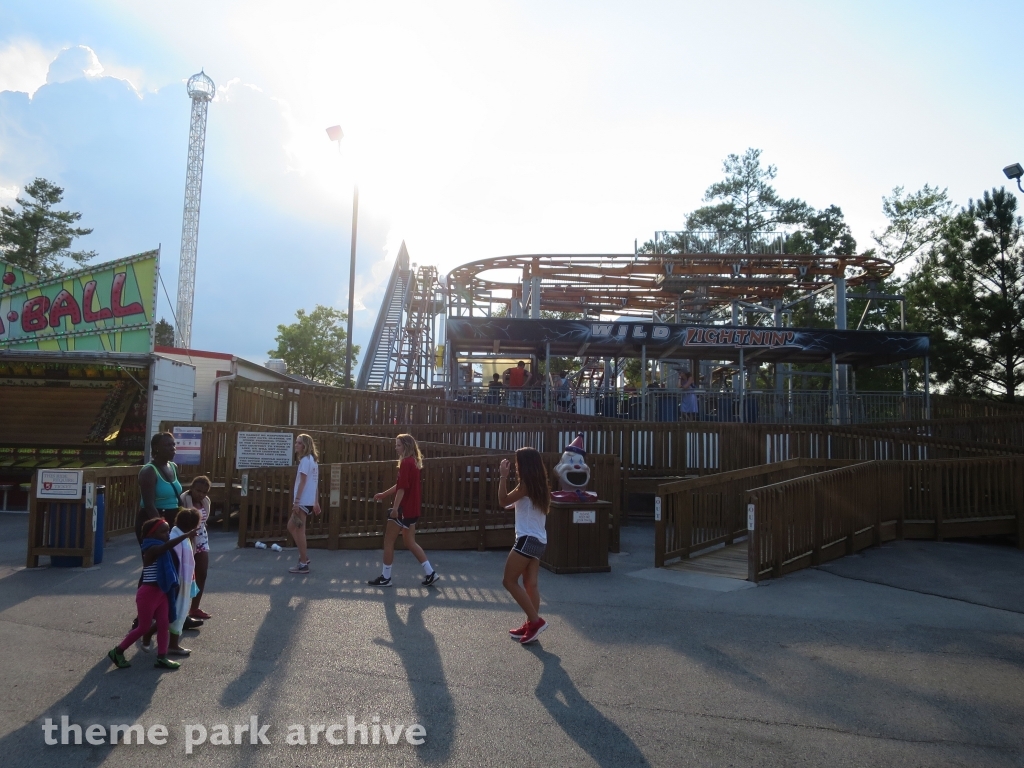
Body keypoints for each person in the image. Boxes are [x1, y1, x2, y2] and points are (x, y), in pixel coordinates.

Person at [107, 517, 196, 670]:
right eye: (163, 531)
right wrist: (185, 535)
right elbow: (166, 547)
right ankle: (117, 651)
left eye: (168, 531)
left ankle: (162, 657)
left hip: (162, 592)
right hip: (148, 593)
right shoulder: (150, 549)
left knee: (163, 624)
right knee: (143, 627)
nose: (167, 534)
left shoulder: (160, 545)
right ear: (152, 534)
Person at [367, 434, 437, 587]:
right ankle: (430, 572)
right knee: (409, 542)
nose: (396, 448)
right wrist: (384, 494)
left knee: (388, 541)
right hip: (412, 509)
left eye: (398, 445)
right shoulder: (414, 462)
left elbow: (402, 489)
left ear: (405, 446)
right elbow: (401, 485)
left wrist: (395, 509)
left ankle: (386, 577)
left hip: (403, 509)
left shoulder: (406, 463)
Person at [499, 446, 550, 645]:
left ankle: (536, 622)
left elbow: (502, 500)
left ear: (525, 465)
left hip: (527, 539)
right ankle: (531, 624)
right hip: (539, 540)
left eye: (518, 463)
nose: (516, 467)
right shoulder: (538, 485)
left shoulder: (526, 485)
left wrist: (503, 476)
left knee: (508, 581)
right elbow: (512, 503)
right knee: (531, 584)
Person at [139, 508, 200, 657]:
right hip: (174, 584)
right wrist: (177, 584)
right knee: (175, 614)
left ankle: (154, 640)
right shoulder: (173, 539)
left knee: (168, 616)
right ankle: (171, 645)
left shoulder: (175, 535)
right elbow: (171, 562)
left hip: (176, 582)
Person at [136, 432, 183, 544]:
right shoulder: (149, 471)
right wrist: (162, 527)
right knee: (156, 560)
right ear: (156, 448)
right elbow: (149, 505)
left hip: (173, 520)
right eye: (168, 445)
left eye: (173, 445)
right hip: (154, 521)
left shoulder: (173, 467)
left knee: (175, 560)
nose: (173, 448)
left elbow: (178, 497)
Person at [287, 434, 321, 574]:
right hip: (308, 501)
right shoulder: (313, 461)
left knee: (300, 531)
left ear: (305, 445)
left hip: (302, 501)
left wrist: (296, 502)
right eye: (296, 442)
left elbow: (303, 482)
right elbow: (315, 484)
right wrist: (316, 501)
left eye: (299, 443)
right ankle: (303, 556)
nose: (296, 445)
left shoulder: (305, 461)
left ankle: (302, 563)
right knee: (291, 527)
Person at [181, 476, 213, 619]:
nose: (201, 494)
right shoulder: (184, 500)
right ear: (192, 488)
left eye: (204, 492)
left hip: (201, 539)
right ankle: (179, 609)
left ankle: (194, 608)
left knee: (202, 573)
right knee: (185, 575)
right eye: (198, 490)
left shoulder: (206, 501)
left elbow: (204, 520)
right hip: (187, 539)